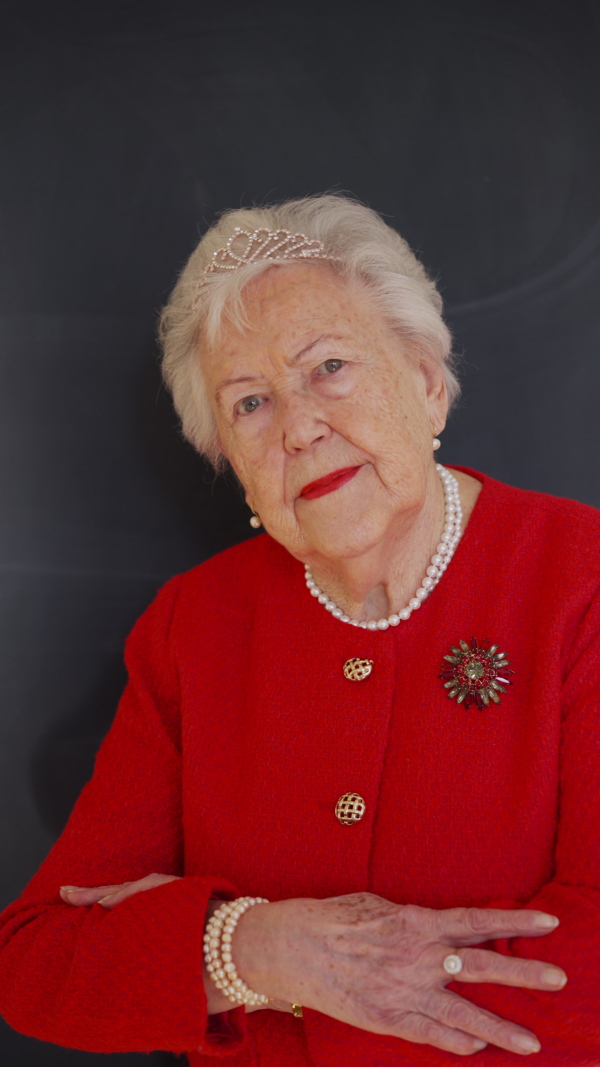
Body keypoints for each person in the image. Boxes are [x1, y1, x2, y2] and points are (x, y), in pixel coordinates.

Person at [0, 194, 599, 1067]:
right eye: (249, 403)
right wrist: (256, 948)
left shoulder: (579, 580)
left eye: (330, 367)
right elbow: (38, 962)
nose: (300, 425)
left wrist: (188, 960)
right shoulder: (191, 626)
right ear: (230, 462)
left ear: (427, 383)